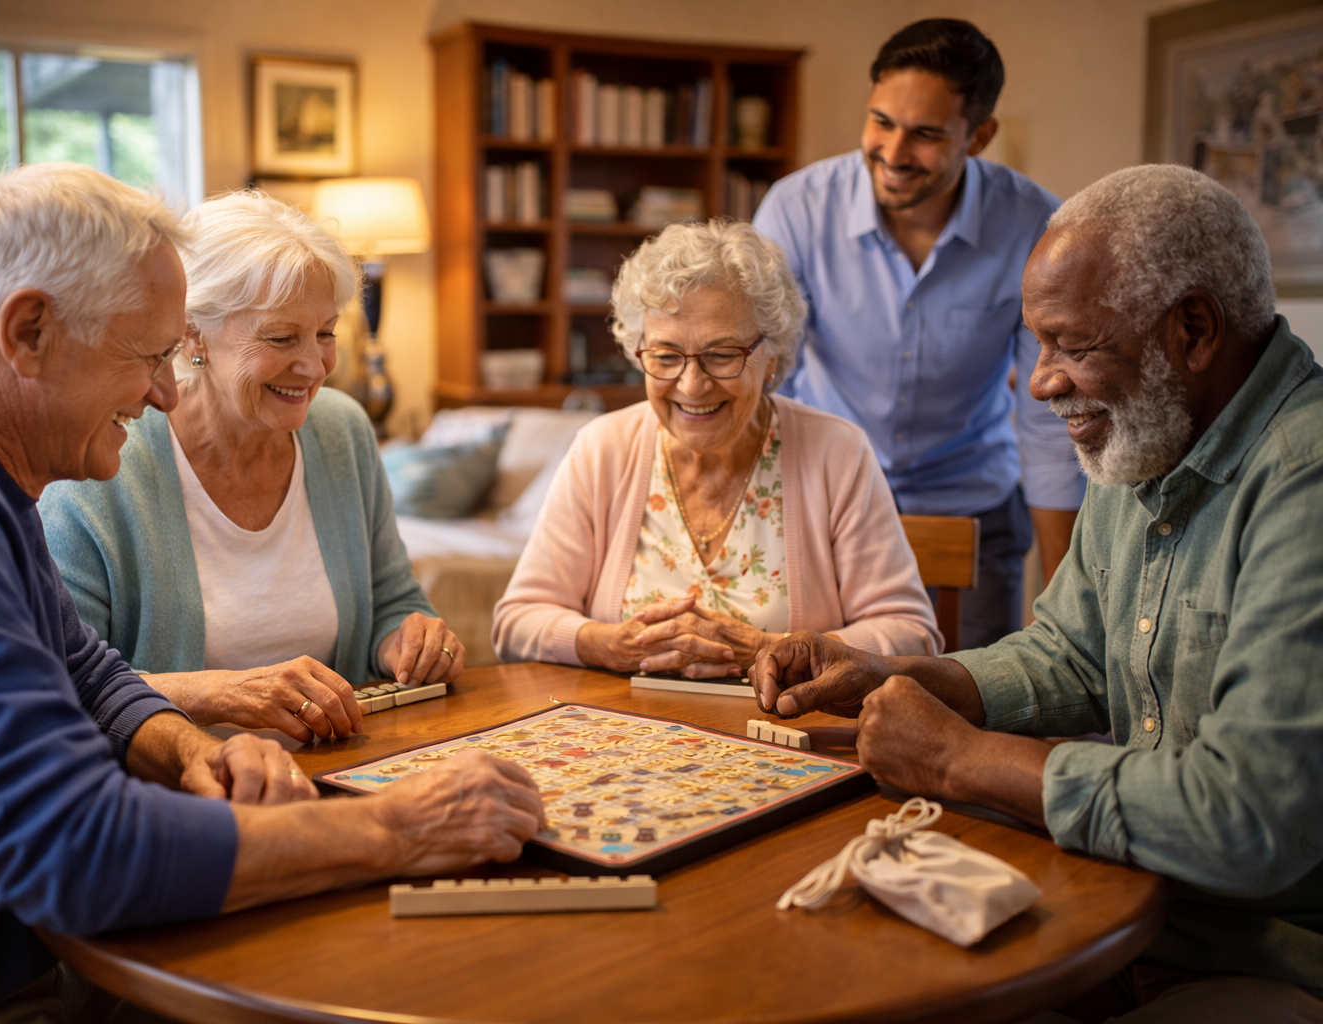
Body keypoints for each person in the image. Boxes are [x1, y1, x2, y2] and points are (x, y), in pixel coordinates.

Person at [0, 163, 543, 1022]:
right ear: (28, 331)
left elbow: (86, 672)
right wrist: (400, 828)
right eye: (147, 356)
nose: (164, 391)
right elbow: (73, 849)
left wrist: (189, 750)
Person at [751, 165, 1323, 1022]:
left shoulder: (1304, 480)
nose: (1041, 380)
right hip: (1121, 910)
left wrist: (961, 759)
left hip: (1268, 957)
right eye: (1037, 344)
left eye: (1073, 345)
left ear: (1194, 329)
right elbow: (1069, 654)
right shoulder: (1152, 431)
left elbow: (1247, 819)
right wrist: (893, 674)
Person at [41, 191, 462, 745]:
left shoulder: (342, 430)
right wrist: (224, 693)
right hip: (183, 785)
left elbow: (392, 599)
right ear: (192, 333)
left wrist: (410, 640)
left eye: (326, 333)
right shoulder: (102, 463)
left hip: (339, 768)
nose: (313, 367)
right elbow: (60, 684)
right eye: (281, 337)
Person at [753, 18, 1083, 650]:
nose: (894, 152)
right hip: (827, 504)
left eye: (926, 134)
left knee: (979, 695)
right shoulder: (796, 210)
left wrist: (1069, 618)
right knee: (816, 691)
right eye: (881, 121)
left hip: (976, 508)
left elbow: (1049, 421)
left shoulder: (1036, 226)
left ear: (979, 136)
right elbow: (765, 378)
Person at [492, 220, 940, 678]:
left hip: (780, 719)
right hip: (620, 719)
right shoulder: (602, 448)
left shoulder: (837, 453)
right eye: (666, 356)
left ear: (771, 355)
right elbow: (516, 622)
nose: (692, 385)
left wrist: (770, 651)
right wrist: (607, 645)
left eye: (722, 355)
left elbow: (912, 633)